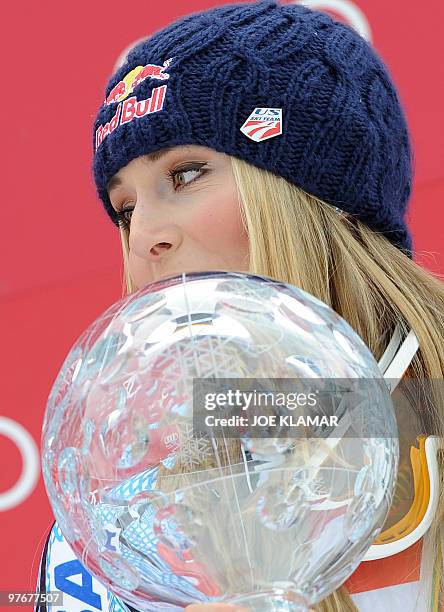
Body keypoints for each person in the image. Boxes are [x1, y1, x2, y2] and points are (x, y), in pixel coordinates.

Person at [36, 1, 444, 611]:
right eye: (125, 209)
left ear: (313, 191)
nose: (144, 236)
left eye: (185, 173)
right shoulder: (124, 528)